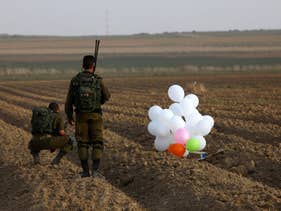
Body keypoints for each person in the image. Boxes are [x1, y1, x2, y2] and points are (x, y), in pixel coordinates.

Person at [65, 55, 110, 178]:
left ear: (83, 65)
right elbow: (107, 96)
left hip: (80, 116)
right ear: (93, 66)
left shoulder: (75, 80)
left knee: (82, 143)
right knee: (97, 142)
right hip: (95, 115)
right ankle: (95, 170)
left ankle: (85, 171)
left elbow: (69, 100)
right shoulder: (98, 80)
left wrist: (69, 116)